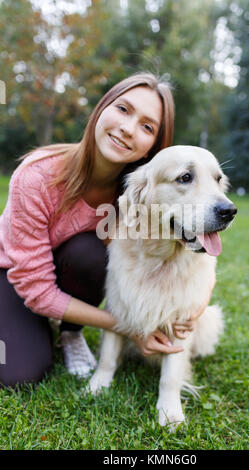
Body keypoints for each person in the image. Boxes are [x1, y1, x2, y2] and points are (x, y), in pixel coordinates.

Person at [0, 72, 211, 388]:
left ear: (150, 147)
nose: (128, 129)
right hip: (14, 276)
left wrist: (199, 305)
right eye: (123, 109)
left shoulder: (145, 194)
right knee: (17, 375)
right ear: (101, 110)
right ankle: (33, 323)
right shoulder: (36, 176)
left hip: (72, 269)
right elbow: (35, 285)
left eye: (147, 127)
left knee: (93, 251)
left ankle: (69, 332)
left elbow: (198, 254)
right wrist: (128, 328)